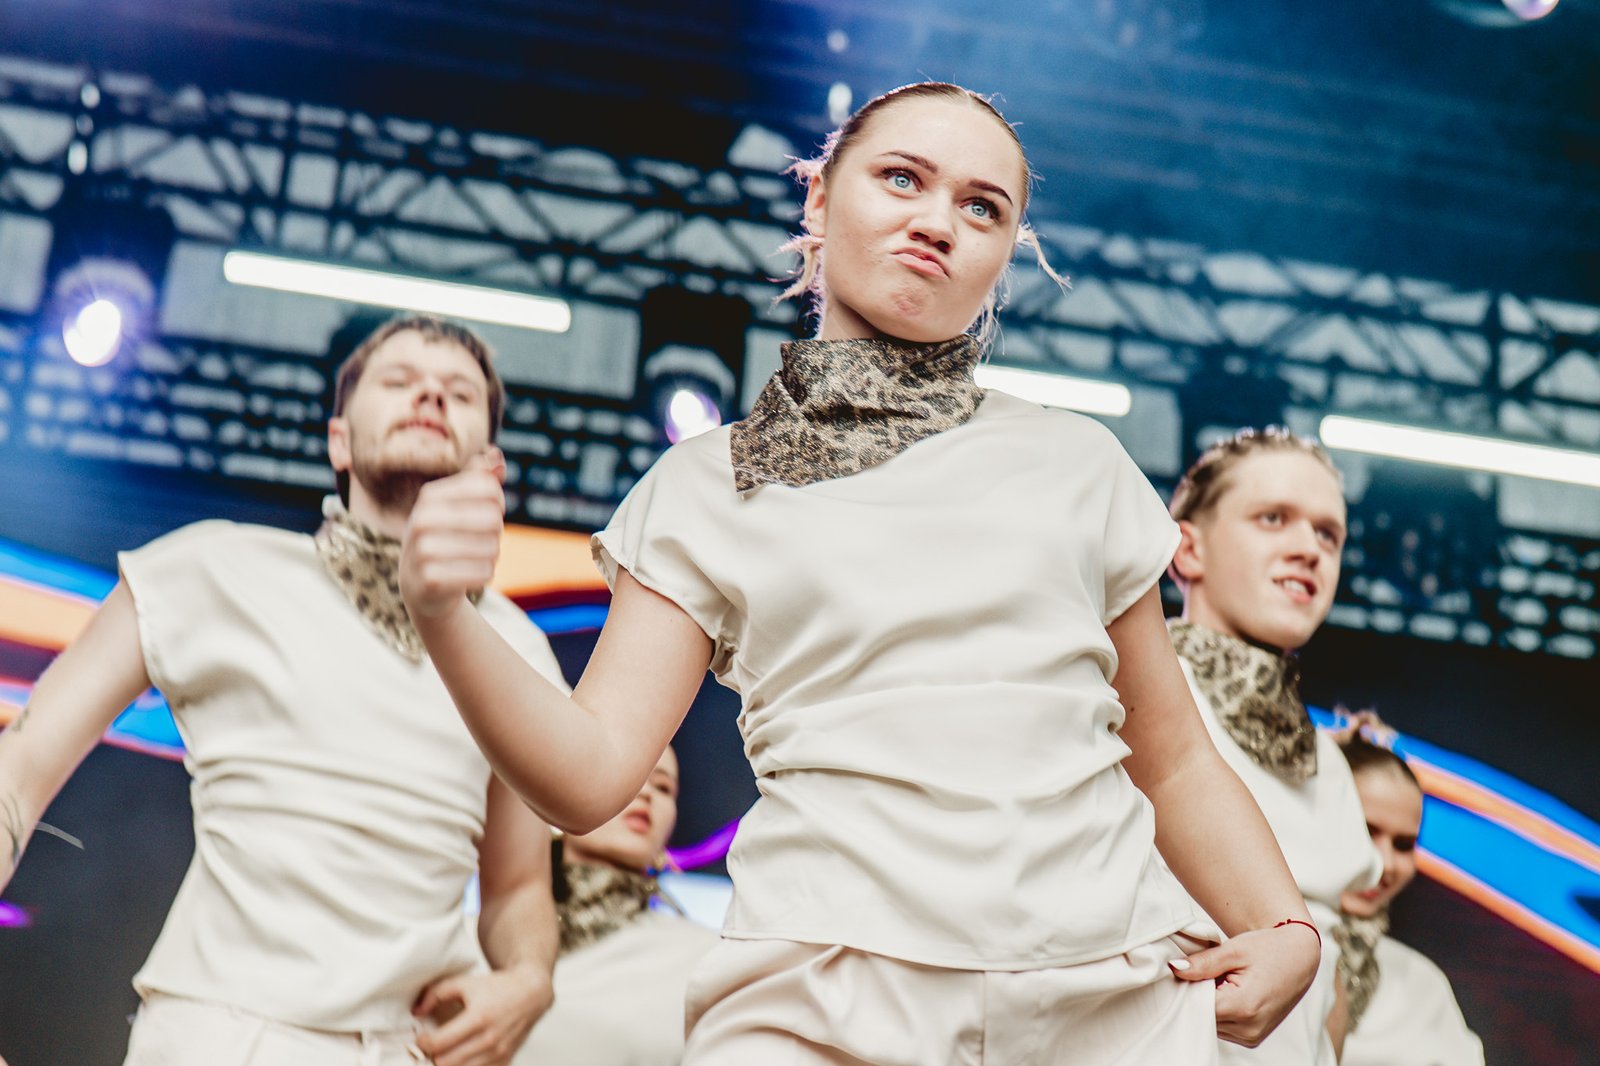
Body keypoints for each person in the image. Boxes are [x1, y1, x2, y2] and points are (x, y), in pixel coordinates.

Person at [402, 82, 1322, 1065]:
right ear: (818, 198)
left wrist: (1285, 926)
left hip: (1102, 996)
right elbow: (587, 776)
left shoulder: (1076, 461)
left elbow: (1171, 757)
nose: (938, 222)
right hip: (817, 991)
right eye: (901, 178)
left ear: (1004, 254)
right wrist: (444, 614)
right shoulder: (706, 484)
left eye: (982, 208)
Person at [0, 315, 565, 1066]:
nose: (430, 394)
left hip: (409, 1048)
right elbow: (22, 765)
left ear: (491, 463)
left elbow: (518, 887)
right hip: (221, 1034)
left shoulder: (519, 649)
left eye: (460, 394)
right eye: (399, 381)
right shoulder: (212, 568)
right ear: (339, 441)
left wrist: (529, 977)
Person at [1165, 427, 1385, 1066]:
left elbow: (1334, 970)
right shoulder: (1127, 695)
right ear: (1188, 549)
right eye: (1273, 518)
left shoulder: (1331, 764)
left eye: (1328, 535)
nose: (1309, 549)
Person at [514, 746, 718, 1066]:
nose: (646, 793)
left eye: (663, 787)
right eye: (624, 776)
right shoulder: (474, 936)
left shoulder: (706, 960)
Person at [1334, 728, 1485, 1066]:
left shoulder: (1422, 987)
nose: (1385, 863)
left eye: (1403, 845)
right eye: (1365, 830)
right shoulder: (1236, 949)